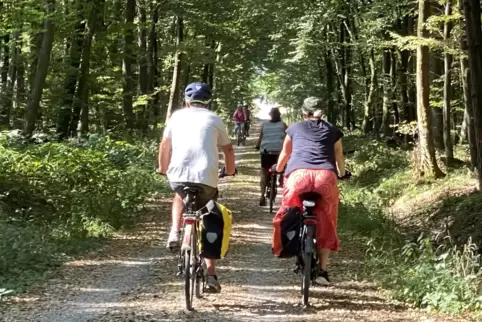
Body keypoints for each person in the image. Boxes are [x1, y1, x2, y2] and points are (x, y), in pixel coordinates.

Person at [158, 82, 236, 293]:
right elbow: (228, 149)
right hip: (206, 177)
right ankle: (211, 275)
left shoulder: (176, 117)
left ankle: (175, 231)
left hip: (179, 174)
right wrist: (229, 171)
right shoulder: (214, 119)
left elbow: (165, 145)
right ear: (208, 101)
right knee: (210, 214)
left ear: (186, 100)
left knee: (178, 195)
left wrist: (163, 168)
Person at [274, 97, 346, 285]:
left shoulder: (295, 128)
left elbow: (286, 153)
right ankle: (323, 271)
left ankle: (291, 244)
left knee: (289, 211)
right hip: (325, 177)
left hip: (298, 176)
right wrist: (343, 173)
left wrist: (279, 169)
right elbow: (338, 154)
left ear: (303, 112)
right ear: (322, 112)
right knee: (328, 219)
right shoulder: (333, 130)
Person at [255, 107, 287, 206]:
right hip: (279, 153)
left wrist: (257, 146)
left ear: (270, 115)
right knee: (283, 168)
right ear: (279, 115)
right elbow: (288, 138)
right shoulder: (283, 125)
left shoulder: (264, 125)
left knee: (264, 172)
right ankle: (282, 178)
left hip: (266, 152)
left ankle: (262, 196)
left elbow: (260, 138)